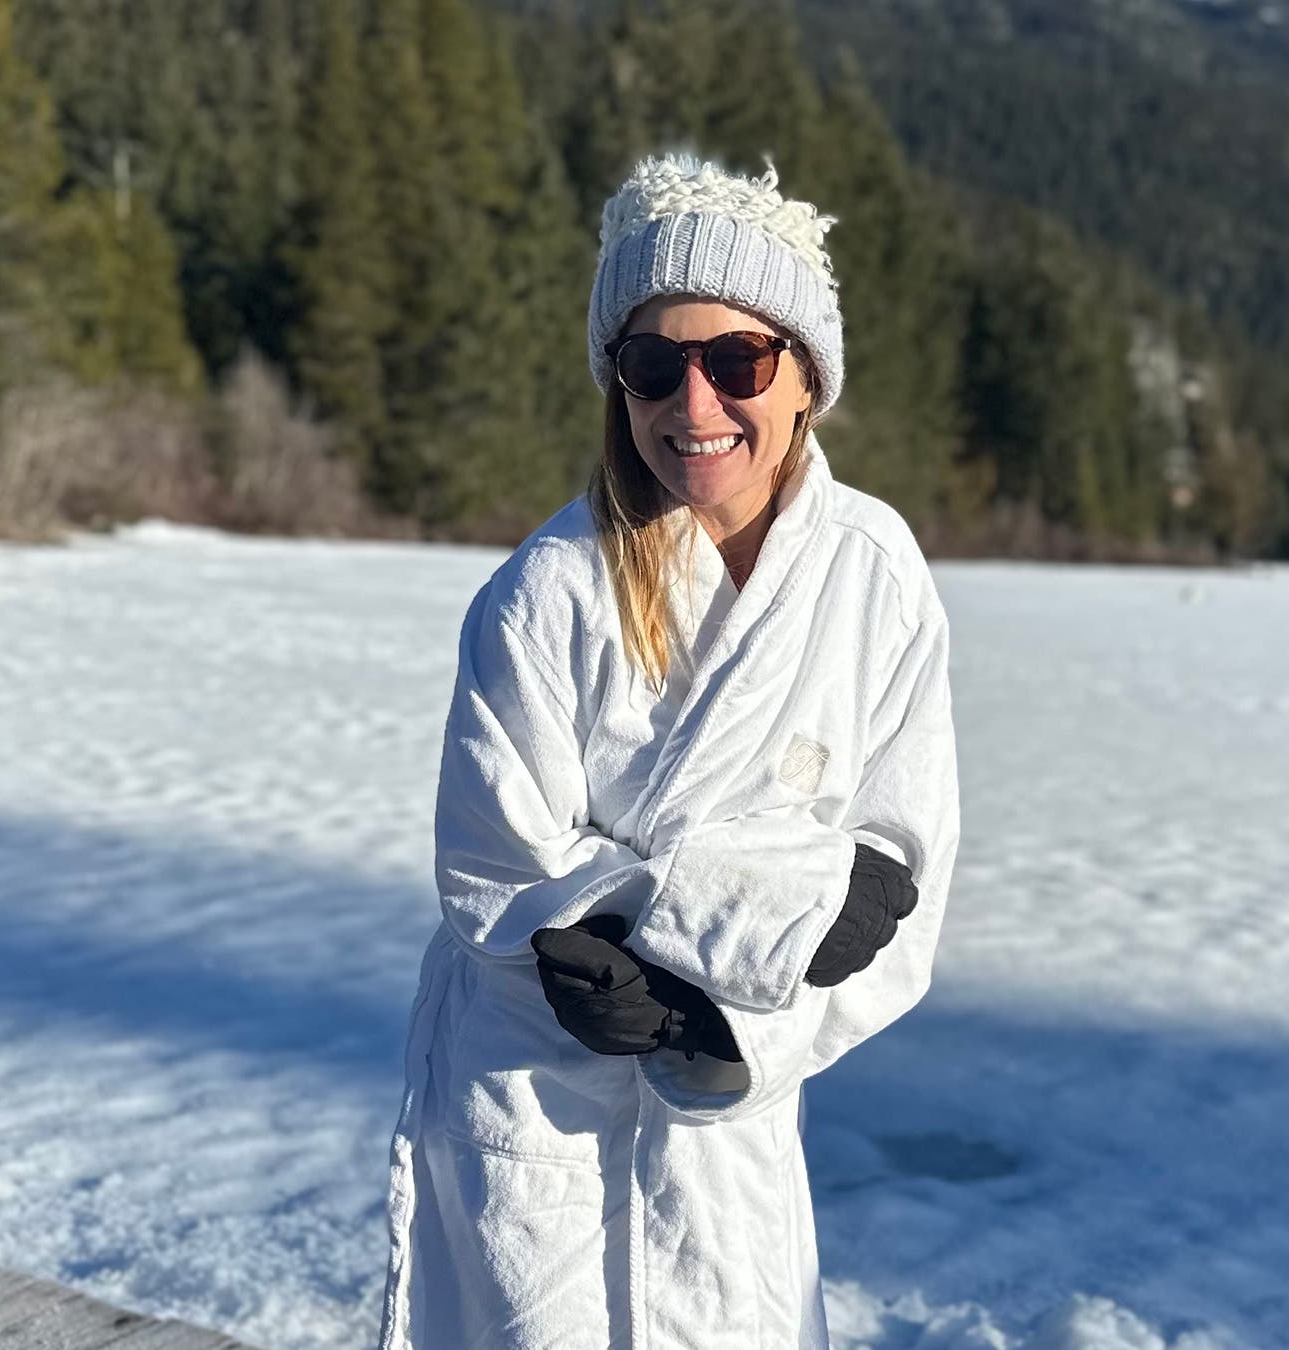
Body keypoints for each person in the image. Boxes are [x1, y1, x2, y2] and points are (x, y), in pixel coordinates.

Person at [375, 151, 962, 1350]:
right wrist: (743, 915)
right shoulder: (545, 594)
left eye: (737, 359)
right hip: (539, 1089)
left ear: (805, 379)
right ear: (618, 381)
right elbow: (494, 870)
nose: (695, 406)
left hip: (729, 1115)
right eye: (655, 363)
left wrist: (742, 1023)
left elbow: (905, 870)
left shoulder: (873, 575)